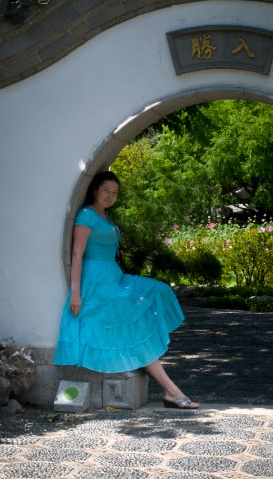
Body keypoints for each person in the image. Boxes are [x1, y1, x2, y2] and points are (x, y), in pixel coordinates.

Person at [54, 170, 199, 409]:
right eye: (106, 191)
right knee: (134, 328)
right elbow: (77, 254)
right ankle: (172, 392)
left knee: (155, 293)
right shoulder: (86, 215)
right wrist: (76, 292)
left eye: (115, 192)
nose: (110, 196)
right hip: (96, 283)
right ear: (95, 191)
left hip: (112, 277)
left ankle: (172, 391)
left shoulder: (106, 218)